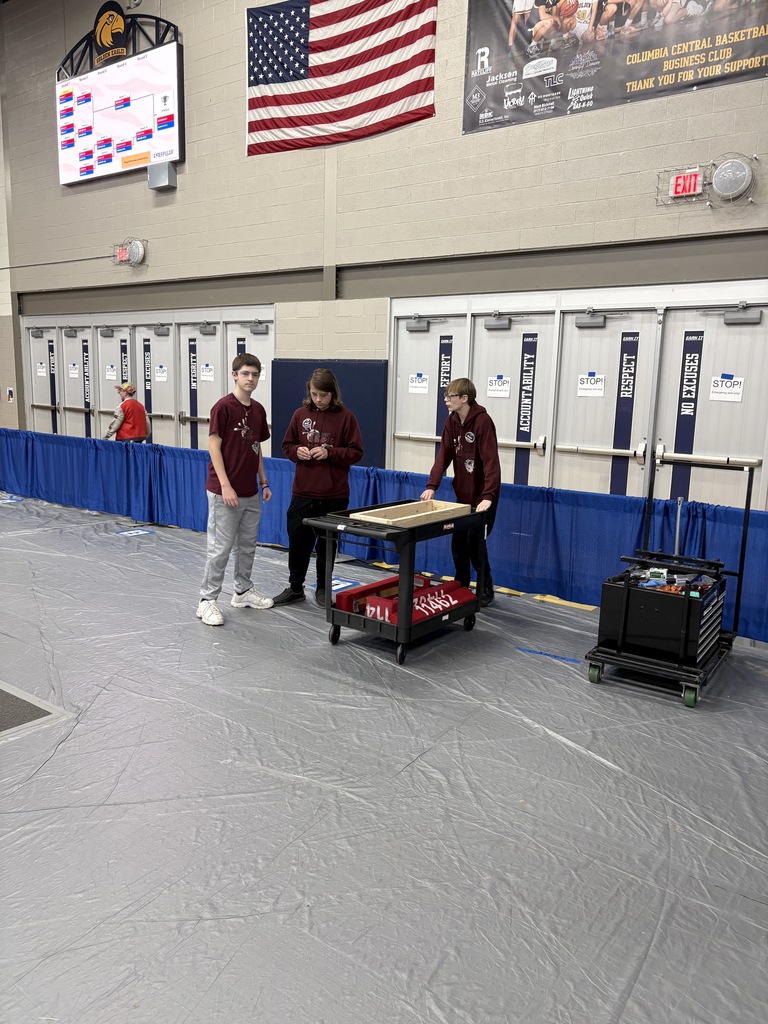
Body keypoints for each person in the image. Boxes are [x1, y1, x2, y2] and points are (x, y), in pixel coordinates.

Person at [272, 368, 364, 608]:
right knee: (298, 542)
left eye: (323, 395)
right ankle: (295, 588)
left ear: (333, 393)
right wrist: (297, 451)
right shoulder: (300, 414)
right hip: (303, 492)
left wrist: (329, 452)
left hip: (334, 495)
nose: (318, 399)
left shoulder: (346, 417)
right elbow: (287, 445)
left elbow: (356, 452)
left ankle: (323, 588)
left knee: (327, 544)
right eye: (314, 394)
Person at [197, 353, 274, 627]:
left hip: (250, 491)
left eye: (255, 374)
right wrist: (226, 486)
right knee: (220, 548)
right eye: (245, 373)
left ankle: (242, 591)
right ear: (234, 375)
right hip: (224, 492)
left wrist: (263, 482)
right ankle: (206, 601)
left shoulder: (258, 409)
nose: (250, 379)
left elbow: (257, 448)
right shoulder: (223, 407)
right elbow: (213, 446)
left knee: (247, 545)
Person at [420, 378, 501, 607]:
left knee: (476, 542)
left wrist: (488, 496)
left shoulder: (483, 422)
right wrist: (431, 485)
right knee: (458, 542)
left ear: (464, 398)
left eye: (450, 396)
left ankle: (484, 583)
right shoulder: (451, 421)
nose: (446, 400)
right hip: (463, 495)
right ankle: (461, 583)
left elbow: (491, 462)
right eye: (445, 396)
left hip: (483, 496)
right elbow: (443, 455)